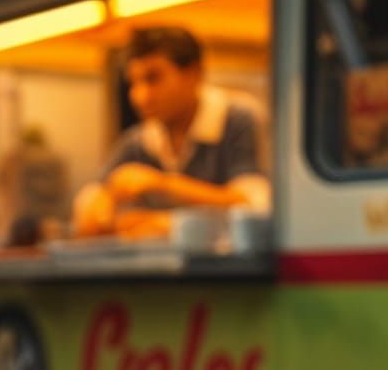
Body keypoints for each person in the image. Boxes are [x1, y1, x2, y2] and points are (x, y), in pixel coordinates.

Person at [74, 26, 271, 236]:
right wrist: (104, 211)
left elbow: (254, 207)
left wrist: (161, 186)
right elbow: (89, 206)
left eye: (153, 79)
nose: (141, 96)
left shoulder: (238, 119)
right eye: (134, 82)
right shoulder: (139, 139)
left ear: (193, 75)